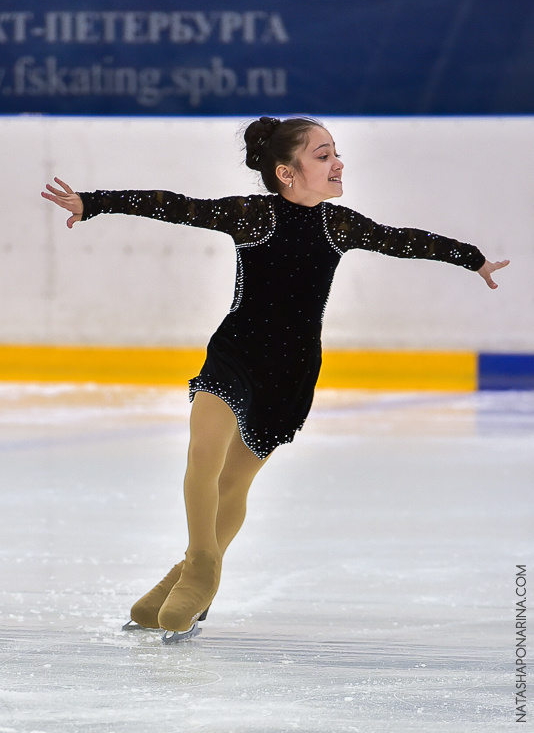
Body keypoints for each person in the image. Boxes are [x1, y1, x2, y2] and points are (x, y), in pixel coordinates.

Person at [42, 116, 509, 643]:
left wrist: (472, 260)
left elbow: (403, 240)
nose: (337, 163)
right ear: (286, 172)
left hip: (290, 374)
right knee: (203, 458)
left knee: (234, 484)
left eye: (335, 152)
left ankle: (184, 578)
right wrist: (95, 202)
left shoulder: (340, 226)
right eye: (323, 155)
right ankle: (201, 567)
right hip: (234, 356)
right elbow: (173, 206)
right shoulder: (252, 216)